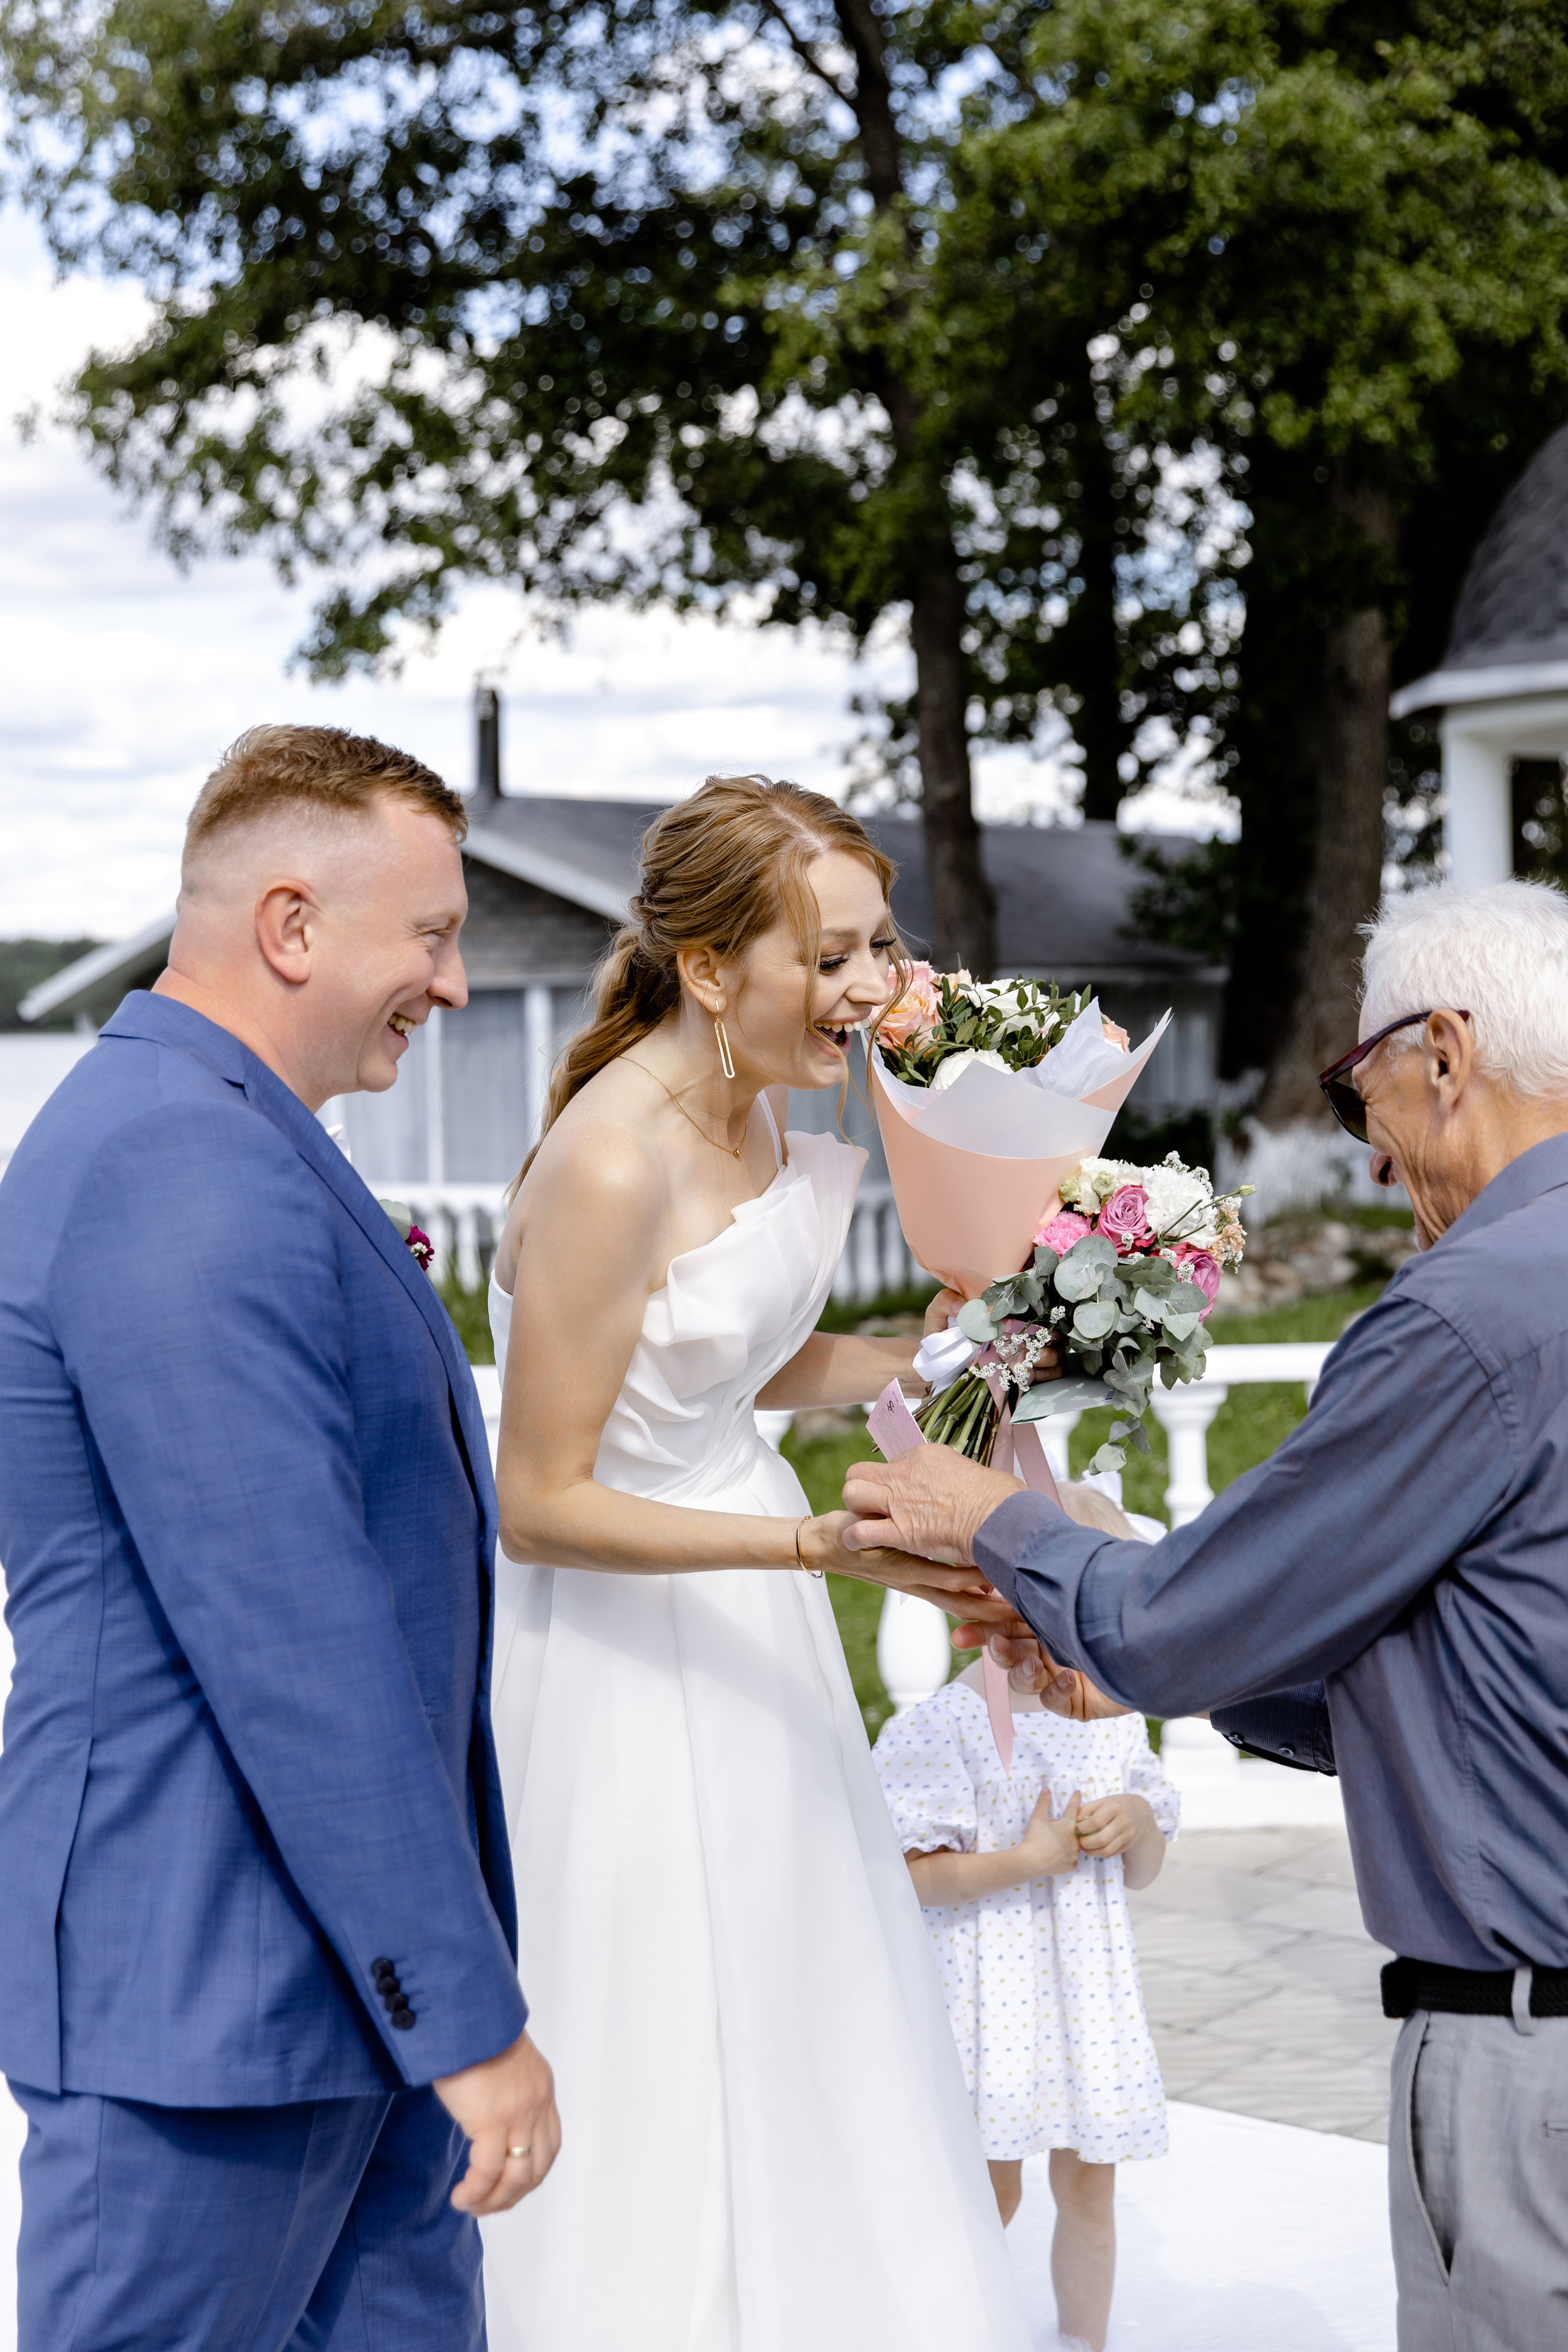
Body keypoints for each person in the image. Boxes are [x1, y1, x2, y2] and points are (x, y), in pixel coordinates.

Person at [841, 876, 1568, 2352]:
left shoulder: (1467, 1315)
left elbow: (1177, 1625)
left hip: (1527, 2052)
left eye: (1353, 1090)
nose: (1367, 1153)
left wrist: (996, 1526)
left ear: (1440, 1053)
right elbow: (1486, 1677)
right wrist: (1143, 1653)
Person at [0, 725, 559, 2351]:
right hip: (210, 2008)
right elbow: (290, 1631)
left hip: (323, 2007)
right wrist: (461, 2014)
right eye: (432, 934)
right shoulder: (175, 1156)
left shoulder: (232, 1133)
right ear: (292, 925)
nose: (453, 982)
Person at [478, 775, 1030, 2351]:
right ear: (710, 969)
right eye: (830, 956)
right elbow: (539, 1498)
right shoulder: (607, 1162)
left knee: (798, 1991)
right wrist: (808, 1544)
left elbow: (717, 1361)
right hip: (624, 1640)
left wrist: (937, 1354)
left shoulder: (762, 1100)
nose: (870, 989)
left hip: (750, 1609)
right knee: (656, 2007)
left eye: (878, 947)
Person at [873, 1483, 1177, 2352]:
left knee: (1088, 2188)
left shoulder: (1112, 1724)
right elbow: (910, 1879)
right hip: (990, 2004)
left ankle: (1084, 2340)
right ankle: (944, 2329)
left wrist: (1139, 1824)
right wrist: (1025, 1862)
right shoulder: (949, 1726)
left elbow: (1145, 1872)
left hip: (1086, 1997)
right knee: (989, 2189)